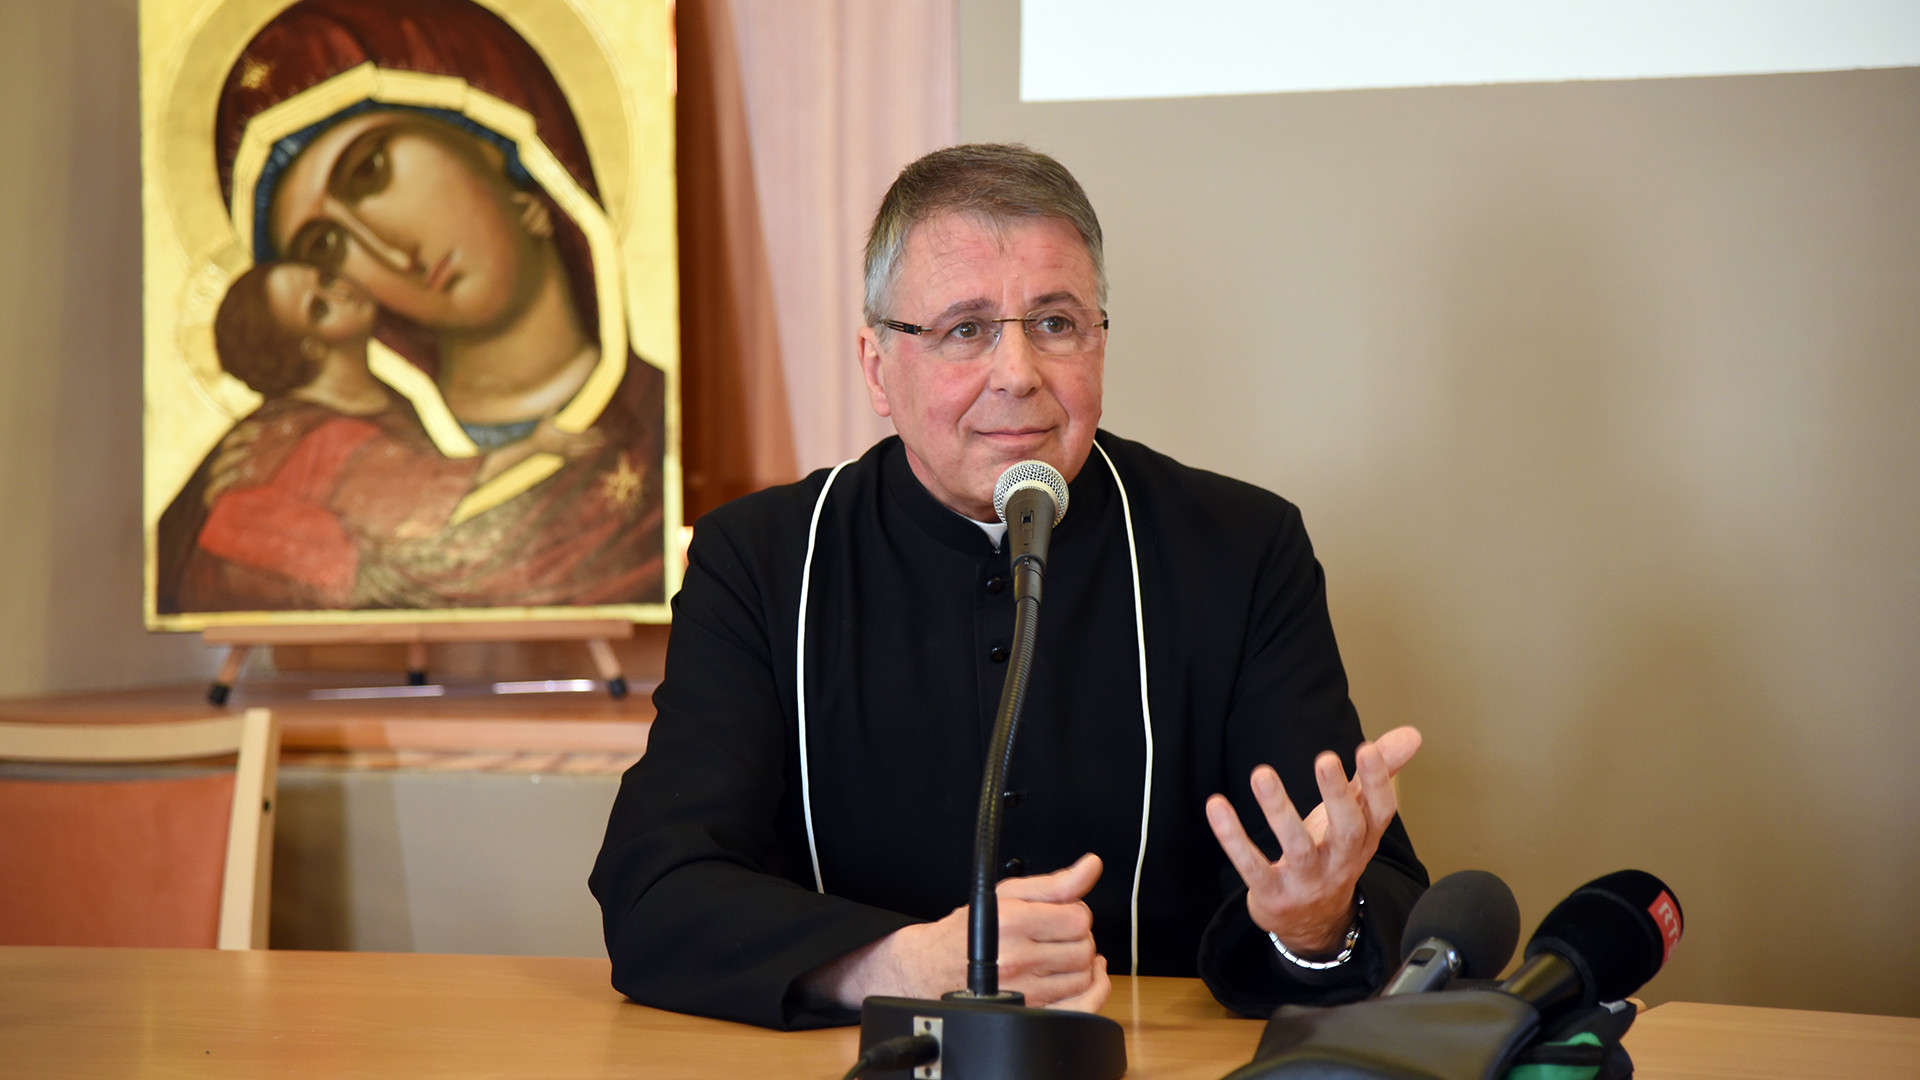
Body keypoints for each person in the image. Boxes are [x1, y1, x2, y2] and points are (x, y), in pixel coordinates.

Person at [590, 144, 1428, 1029]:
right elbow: (656, 889)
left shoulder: (1241, 550)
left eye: (1056, 323)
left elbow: (1355, 877)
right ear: (878, 368)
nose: (1019, 372)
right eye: (965, 329)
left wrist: (1313, 924)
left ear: (1100, 342)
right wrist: (897, 964)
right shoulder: (760, 561)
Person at [160, 0, 669, 614]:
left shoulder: (675, 430)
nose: (387, 253)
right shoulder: (266, 463)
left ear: (490, 139)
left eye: (370, 170)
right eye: (326, 247)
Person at [161, 261, 603, 611]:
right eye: (320, 306)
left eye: (328, 279)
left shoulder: (374, 399)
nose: (342, 291)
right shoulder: (319, 435)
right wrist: (538, 445)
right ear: (309, 348)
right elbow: (428, 489)